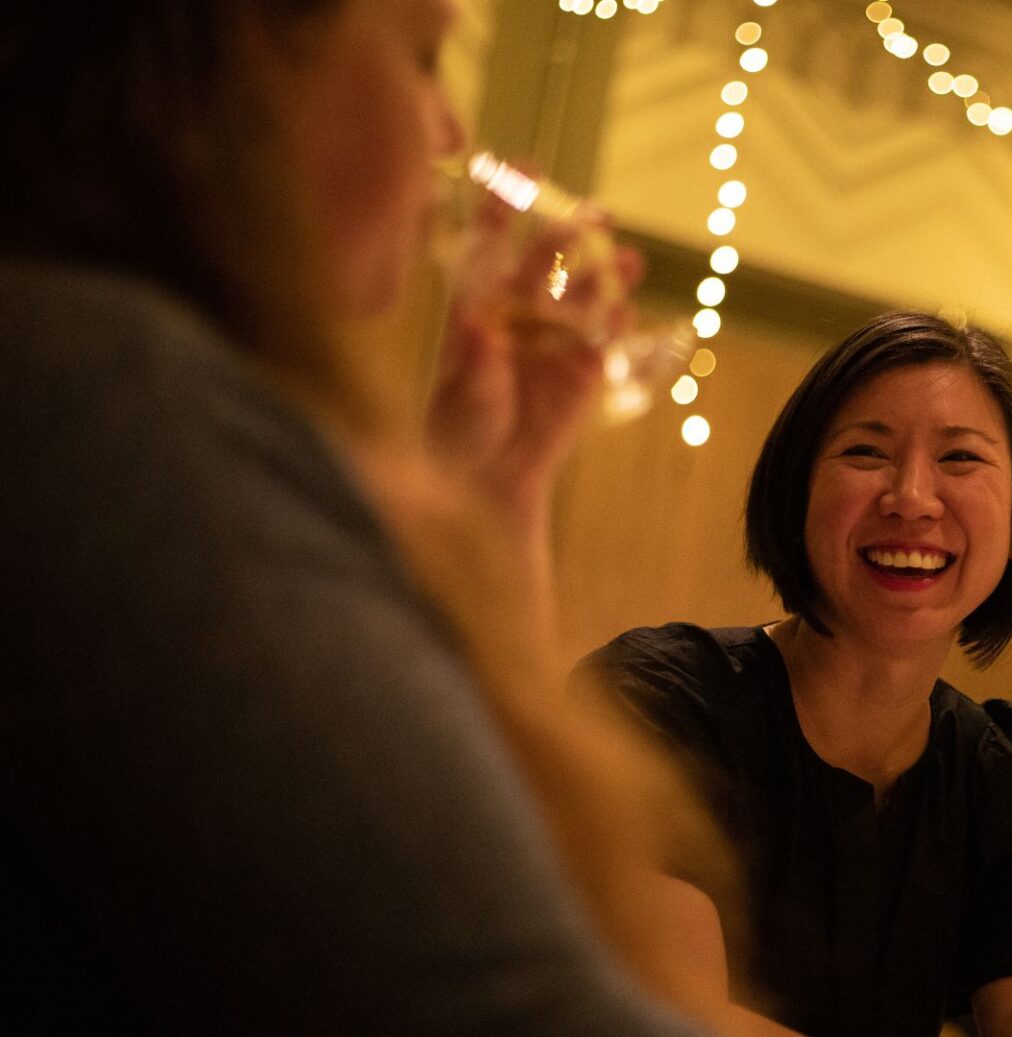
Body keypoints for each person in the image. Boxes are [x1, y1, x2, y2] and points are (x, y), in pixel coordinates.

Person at [2, 2, 719, 1032]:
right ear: (251, 52)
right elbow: (520, 998)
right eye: (424, 58)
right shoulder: (118, 404)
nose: (451, 130)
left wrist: (500, 488)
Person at [581, 311, 1012, 1037]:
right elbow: (665, 1016)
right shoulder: (661, 705)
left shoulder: (1005, 781)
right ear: (796, 497)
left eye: (960, 459)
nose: (913, 498)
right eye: (867, 451)